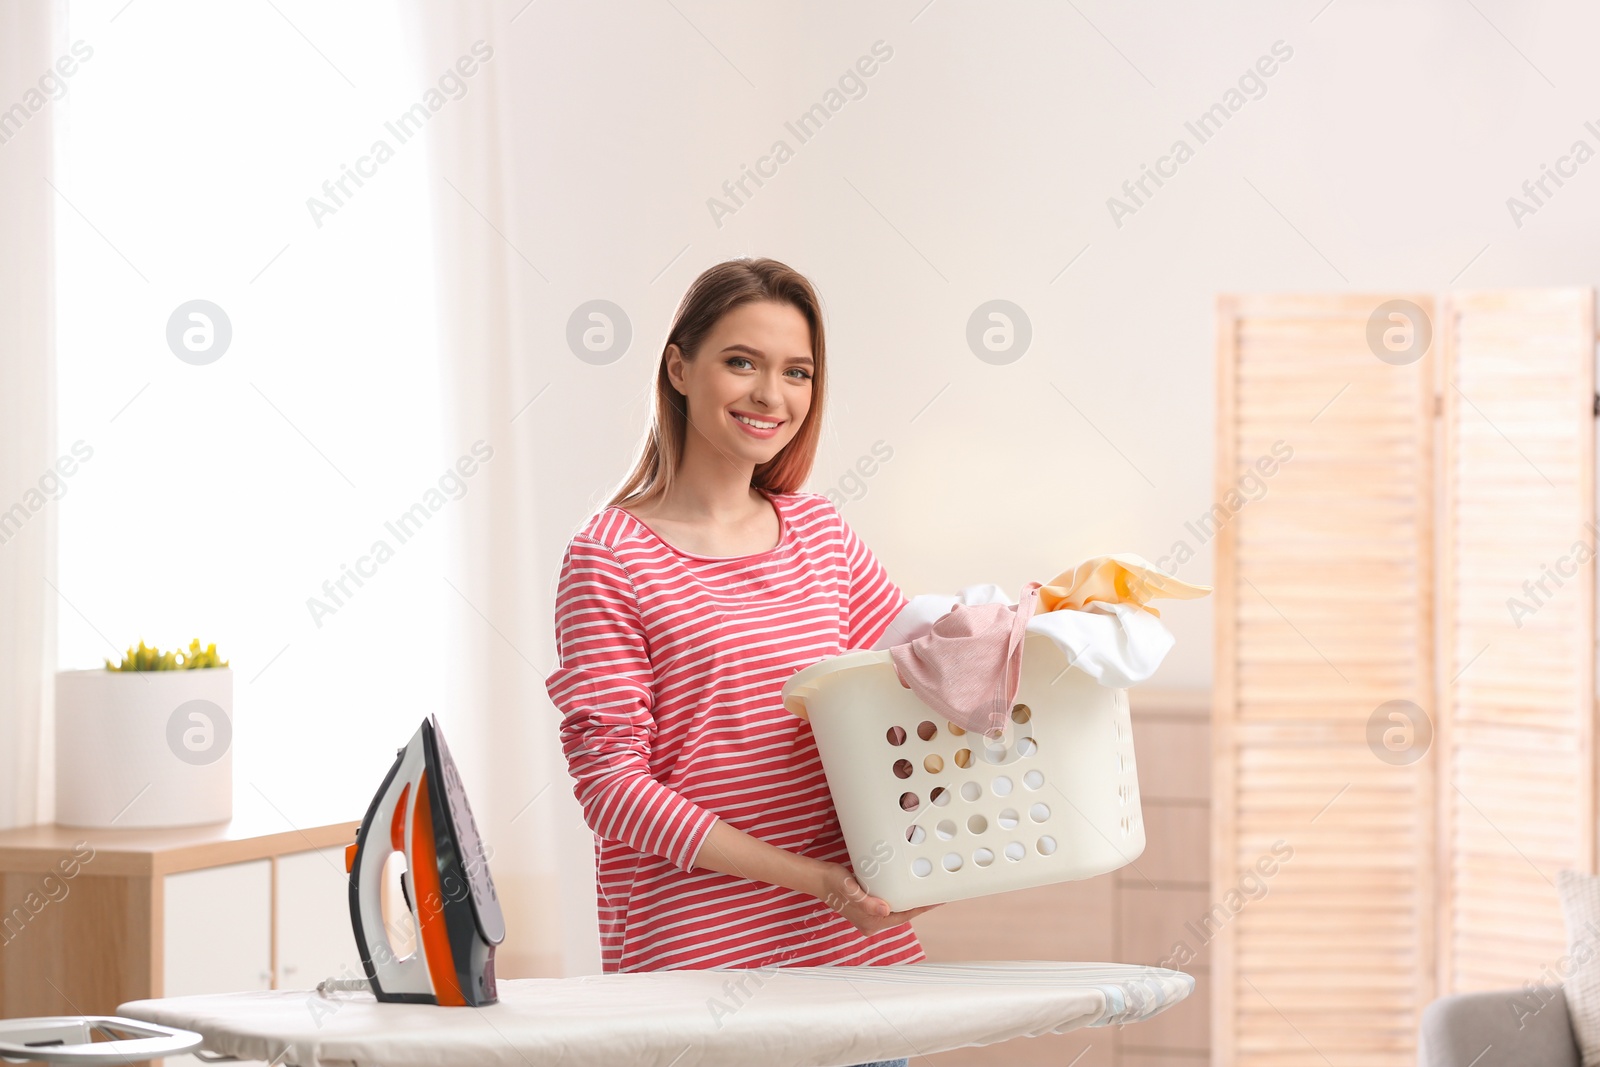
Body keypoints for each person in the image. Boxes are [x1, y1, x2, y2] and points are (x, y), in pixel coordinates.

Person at [544, 256, 939, 1067]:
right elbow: (614, 791)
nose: (771, 395)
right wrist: (816, 878)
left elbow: (916, 700)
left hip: (855, 974)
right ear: (680, 366)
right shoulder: (610, 557)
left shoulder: (823, 535)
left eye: (797, 371)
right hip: (700, 983)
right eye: (741, 362)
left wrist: (919, 849)